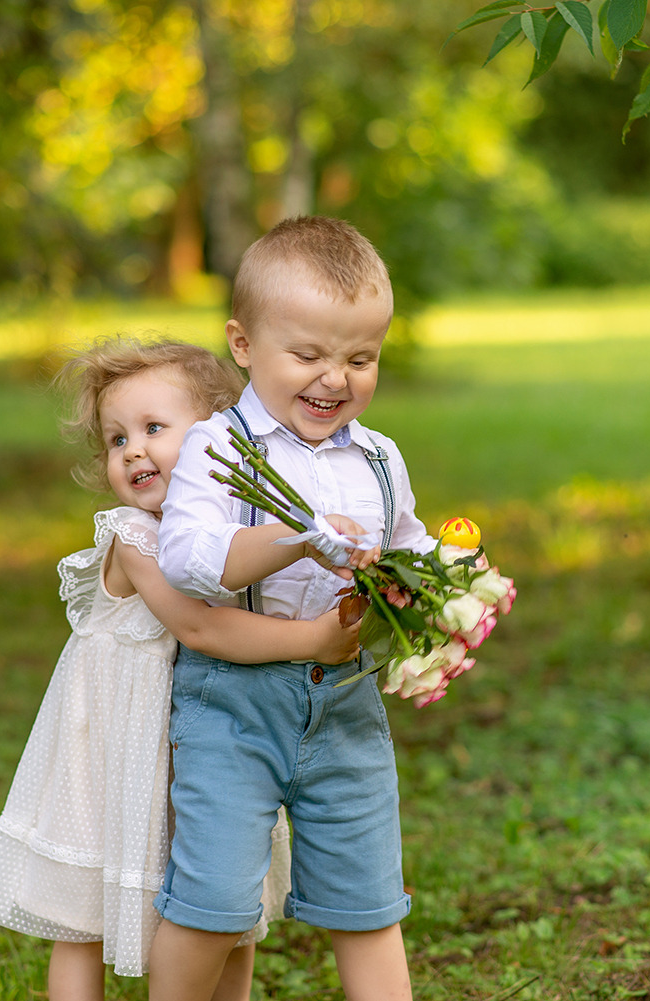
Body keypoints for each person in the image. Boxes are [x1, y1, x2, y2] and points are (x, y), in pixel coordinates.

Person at [0, 339, 361, 1001]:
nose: (132, 450)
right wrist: (313, 640)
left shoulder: (229, 530)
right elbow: (199, 625)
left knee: (229, 900)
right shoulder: (134, 533)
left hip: (202, 739)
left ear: (219, 436)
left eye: (154, 428)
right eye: (116, 437)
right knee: (83, 918)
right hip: (116, 742)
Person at [154, 216, 434, 1001]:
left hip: (346, 703)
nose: (334, 379)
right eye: (308, 354)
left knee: (370, 902)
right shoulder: (216, 447)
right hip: (233, 706)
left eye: (360, 358)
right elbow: (191, 561)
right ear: (242, 344)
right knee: (211, 902)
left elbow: (405, 541)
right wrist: (296, 538)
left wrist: (440, 584)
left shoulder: (379, 456)